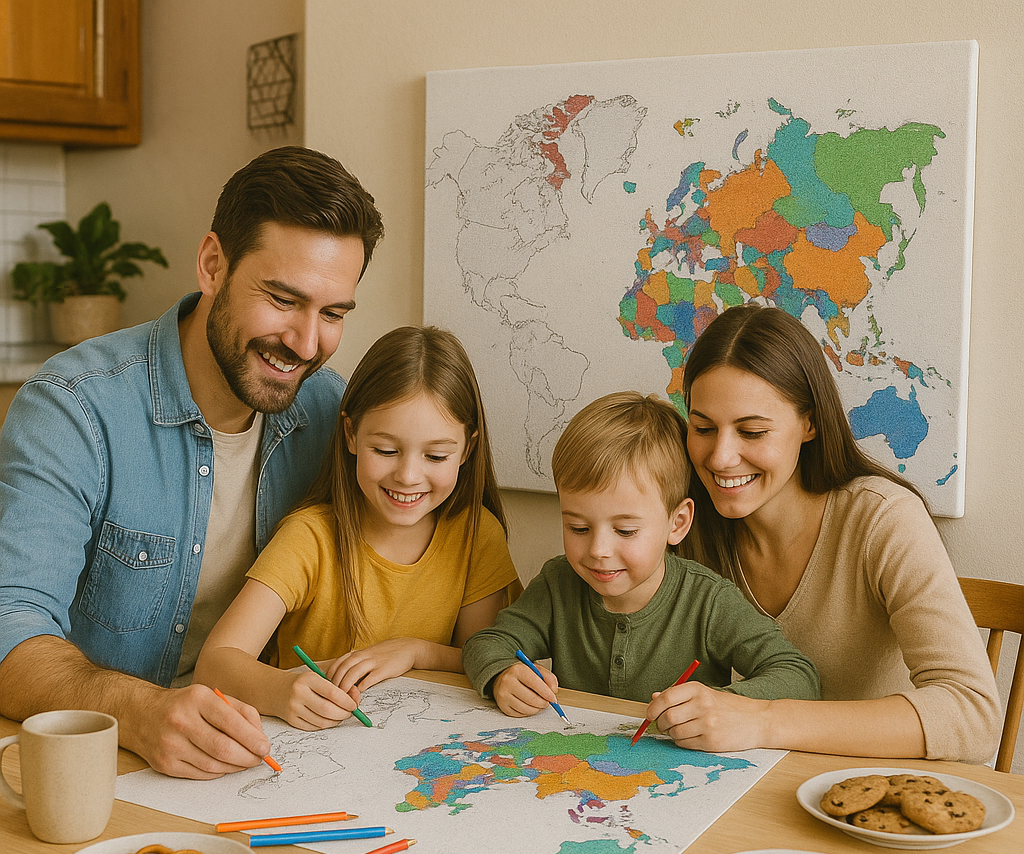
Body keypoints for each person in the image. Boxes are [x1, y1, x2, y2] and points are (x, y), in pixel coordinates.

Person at [0, 146, 385, 778]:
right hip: (106, 760)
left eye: (333, 313)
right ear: (212, 266)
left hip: (273, 757)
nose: (306, 343)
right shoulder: (72, 408)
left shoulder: (330, 413)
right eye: (282, 299)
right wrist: (139, 710)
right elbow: (10, 626)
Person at [678, 302, 1000, 763]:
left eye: (752, 432)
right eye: (703, 428)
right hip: (740, 785)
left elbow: (973, 716)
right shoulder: (685, 522)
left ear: (809, 423)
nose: (720, 457)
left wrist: (763, 720)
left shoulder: (883, 519)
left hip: (870, 788)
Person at [196, 326, 521, 730]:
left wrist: (414, 652)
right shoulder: (309, 538)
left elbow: (483, 656)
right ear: (351, 434)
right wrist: (280, 689)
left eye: (436, 456)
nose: (408, 476)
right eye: (386, 450)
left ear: (467, 449)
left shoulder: (476, 534)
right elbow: (214, 664)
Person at [461, 391, 819, 741]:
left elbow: (798, 675)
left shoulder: (709, 601)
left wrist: (726, 704)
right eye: (578, 528)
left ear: (677, 523)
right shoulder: (558, 583)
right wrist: (502, 674)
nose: (599, 550)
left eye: (625, 531)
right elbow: (487, 643)